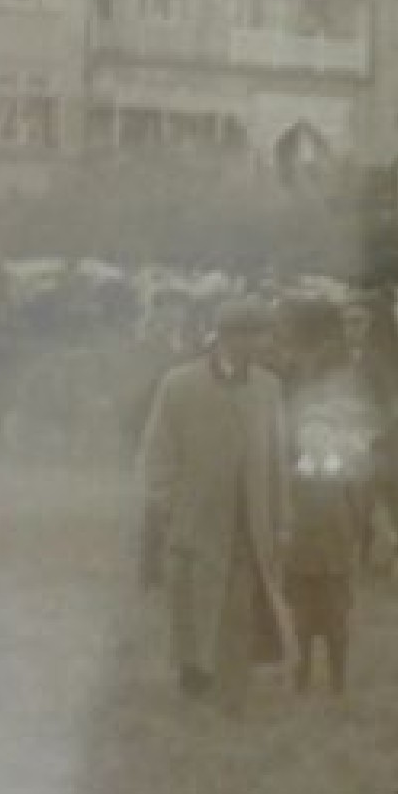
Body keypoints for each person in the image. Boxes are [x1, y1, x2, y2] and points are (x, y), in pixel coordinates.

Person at [139, 298, 293, 710]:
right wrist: (169, 505)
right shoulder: (179, 384)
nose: (258, 345)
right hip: (196, 517)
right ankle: (193, 678)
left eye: (261, 336)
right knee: (192, 601)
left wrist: (280, 520)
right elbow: (158, 454)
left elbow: (278, 458)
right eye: (249, 335)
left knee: (240, 606)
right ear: (225, 338)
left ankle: (233, 694)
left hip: (250, 517)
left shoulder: (269, 387)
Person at [279, 415, 366, 695]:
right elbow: (283, 515)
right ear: (302, 444)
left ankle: (337, 683)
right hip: (300, 565)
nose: (317, 445)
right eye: (311, 440)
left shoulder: (344, 475)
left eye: (323, 439)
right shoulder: (293, 476)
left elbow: (358, 515)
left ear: (331, 443)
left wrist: (346, 543)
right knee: (301, 626)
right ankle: (301, 680)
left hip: (334, 566)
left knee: (336, 626)